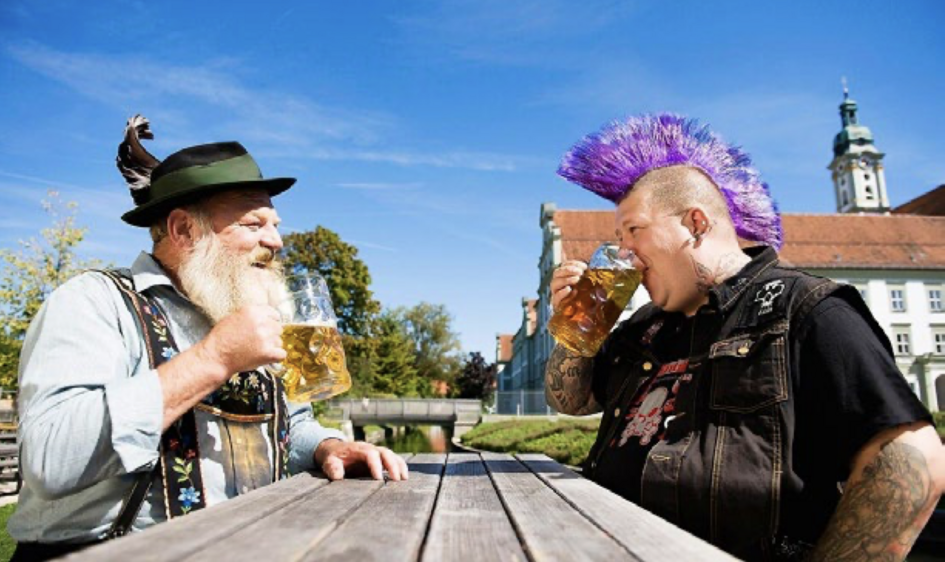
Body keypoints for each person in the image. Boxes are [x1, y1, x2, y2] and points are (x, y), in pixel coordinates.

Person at [546, 113, 944, 561]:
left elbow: (911, 460)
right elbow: (571, 401)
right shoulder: (645, 326)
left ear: (695, 224)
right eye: (619, 238)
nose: (625, 253)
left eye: (634, 230)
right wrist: (579, 327)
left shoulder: (806, 307)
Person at [7, 116, 407, 560]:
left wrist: (329, 447)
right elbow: (50, 461)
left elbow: (290, 426)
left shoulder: (252, 314)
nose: (275, 241)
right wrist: (214, 358)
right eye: (254, 225)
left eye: (274, 224)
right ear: (183, 230)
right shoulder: (92, 302)